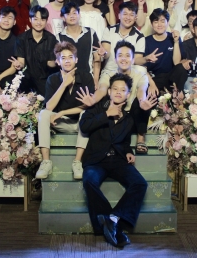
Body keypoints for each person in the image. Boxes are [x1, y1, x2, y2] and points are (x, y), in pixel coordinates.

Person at [80, 73, 156, 248]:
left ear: (128, 95)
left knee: (140, 183)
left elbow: (124, 140)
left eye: (123, 90)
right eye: (115, 89)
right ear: (109, 92)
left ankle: (112, 219)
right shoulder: (96, 108)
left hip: (118, 160)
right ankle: (115, 228)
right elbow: (84, 127)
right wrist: (106, 114)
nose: (118, 92)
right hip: (97, 160)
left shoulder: (128, 118)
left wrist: (128, 151)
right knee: (89, 181)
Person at [34, 42, 95, 180]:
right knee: (43, 113)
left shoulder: (86, 77)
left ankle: (77, 162)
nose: (67, 61)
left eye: (70, 57)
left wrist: (62, 112)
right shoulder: (53, 79)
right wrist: (64, 84)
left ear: (76, 59)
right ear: (58, 62)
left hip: (81, 123)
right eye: (63, 58)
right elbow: (49, 107)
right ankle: (46, 162)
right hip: (59, 124)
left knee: (87, 113)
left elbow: (87, 106)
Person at [78, 40, 152, 154]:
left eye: (127, 56)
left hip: (131, 117)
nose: (124, 59)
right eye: (120, 55)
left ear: (133, 60)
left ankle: (141, 138)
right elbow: (102, 89)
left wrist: (142, 101)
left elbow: (142, 90)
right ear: (115, 59)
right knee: (104, 99)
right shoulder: (108, 73)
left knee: (142, 103)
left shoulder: (140, 73)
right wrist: (93, 99)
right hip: (113, 114)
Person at [55, 2, 102, 87]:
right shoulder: (58, 37)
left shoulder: (90, 33)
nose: (72, 16)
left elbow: (97, 59)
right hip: (67, 81)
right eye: (68, 14)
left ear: (79, 15)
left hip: (87, 78)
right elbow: (57, 62)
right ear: (63, 18)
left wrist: (95, 80)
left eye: (74, 13)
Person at [14, 5, 58, 96]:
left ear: (46, 21)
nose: (39, 22)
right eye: (35, 19)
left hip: (44, 79)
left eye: (42, 19)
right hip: (26, 79)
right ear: (30, 19)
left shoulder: (51, 39)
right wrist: (18, 64)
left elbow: (50, 63)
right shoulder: (21, 38)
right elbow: (21, 62)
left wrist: (58, 61)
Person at [142, 9, 187, 92]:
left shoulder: (174, 37)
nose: (159, 25)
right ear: (151, 24)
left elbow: (177, 63)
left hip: (171, 77)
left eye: (162, 21)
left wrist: (176, 42)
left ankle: (179, 96)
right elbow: (142, 67)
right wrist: (152, 84)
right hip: (153, 78)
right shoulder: (145, 41)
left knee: (181, 68)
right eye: (156, 22)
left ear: (168, 22)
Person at [101, 2, 145, 76]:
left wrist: (146, 59)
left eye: (131, 15)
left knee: (142, 70)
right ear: (119, 16)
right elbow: (106, 53)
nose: (128, 17)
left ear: (135, 18)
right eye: (125, 14)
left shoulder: (139, 36)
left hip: (129, 74)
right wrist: (104, 53)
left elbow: (137, 59)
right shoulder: (109, 30)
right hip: (109, 71)